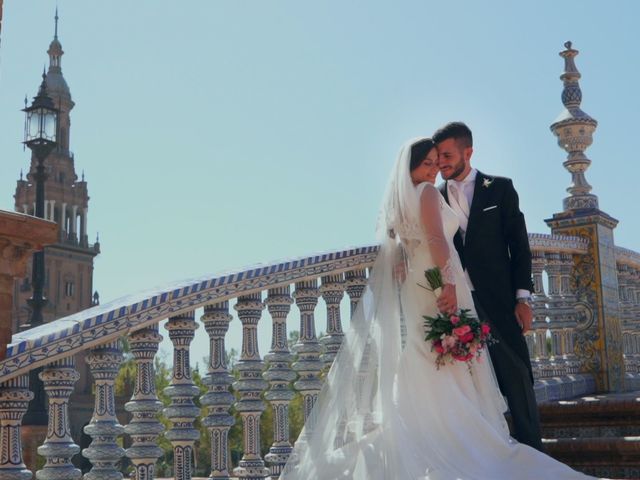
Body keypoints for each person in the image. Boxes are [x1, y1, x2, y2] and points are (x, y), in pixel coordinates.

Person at [280, 137, 593, 479]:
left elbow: (402, 240)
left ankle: (426, 430)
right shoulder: (429, 193)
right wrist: (447, 283)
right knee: (442, 356)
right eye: (426, 163)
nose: (433, 169)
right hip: (438, 281)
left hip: (419, 283)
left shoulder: (401, 199)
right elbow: (436, 239)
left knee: (426, 354)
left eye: (435, 162)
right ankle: (454, 436)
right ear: (409, 166)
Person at [433, 121, 542, 450]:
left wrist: (523, 298)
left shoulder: (501, 188)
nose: (441, 163)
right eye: (438, 157)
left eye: (448, 155)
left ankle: (534, 453)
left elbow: (519, 246)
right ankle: (492, 456)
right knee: (470, 381)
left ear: (469, 152)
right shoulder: (433, 198)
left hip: (499, 299)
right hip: (459, 303)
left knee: (516, 376)